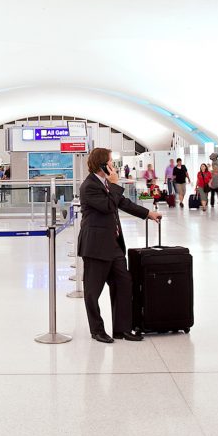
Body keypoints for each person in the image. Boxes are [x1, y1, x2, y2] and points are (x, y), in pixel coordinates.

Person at [78, 147, 162, 344]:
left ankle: (122, 329)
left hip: (113, 245)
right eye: (110, 162)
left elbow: (122, 202)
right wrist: (115, 184)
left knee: (124, 284)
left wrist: (148, 214)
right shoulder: (89, 186)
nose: (113, 166)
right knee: (93, 292)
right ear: (102, 165)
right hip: (96, 247)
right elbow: (108, 206)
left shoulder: (107, 185)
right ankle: (97, 329)